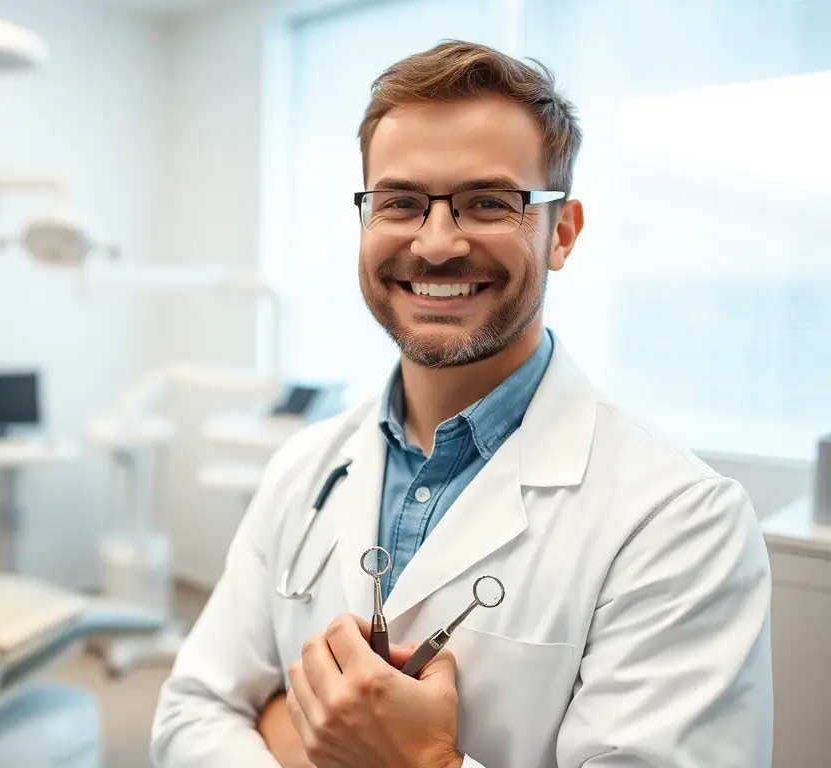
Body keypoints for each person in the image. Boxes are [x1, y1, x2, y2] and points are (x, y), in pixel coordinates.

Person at [150, 39, 773, 768]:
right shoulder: (306, 466)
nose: (437, 243)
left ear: (561, 233)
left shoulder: (682, 522)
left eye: (487, 203)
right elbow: (190, 714)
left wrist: (420, 762)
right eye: (401, 202)